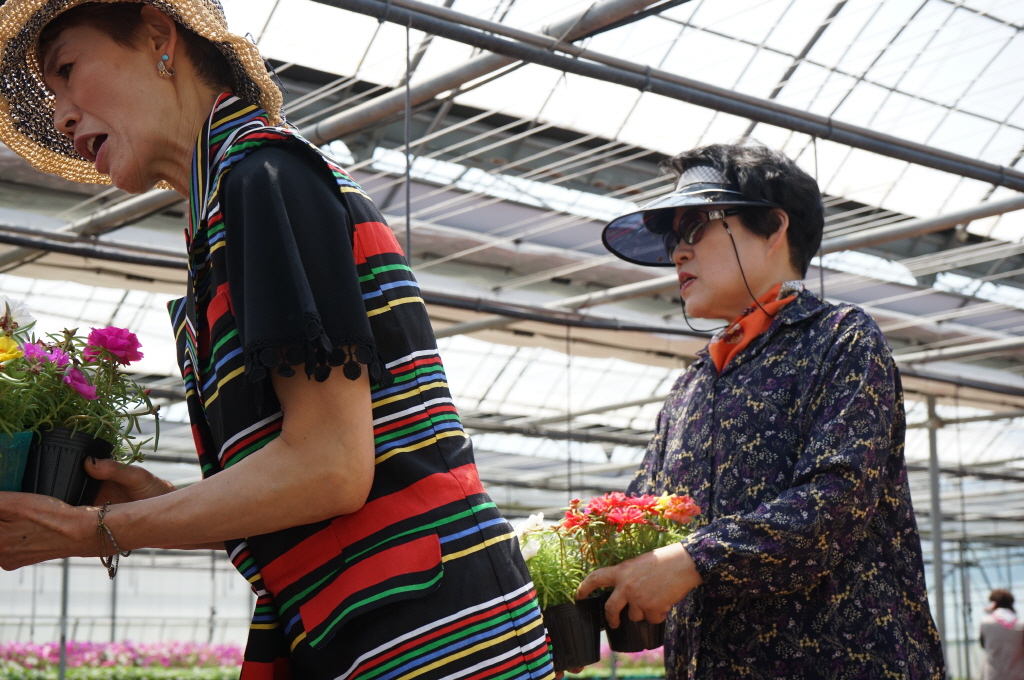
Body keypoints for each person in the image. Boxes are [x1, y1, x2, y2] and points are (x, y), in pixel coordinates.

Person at [0, 3, 554, 680]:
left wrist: (95, 531)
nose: (60, 116)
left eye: (66, 70)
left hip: (434, 638)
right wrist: (154, 502)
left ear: (158, 37)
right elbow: (309, 489)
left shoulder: (264, 177)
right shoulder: (226, 207)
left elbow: (330, 468)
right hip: (381, 625)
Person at [577, 143, 946, 679]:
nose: (678, 254)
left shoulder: (838, 338)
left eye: (695, 228)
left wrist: (693, 561)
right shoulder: (693, 384)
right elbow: (642, 513)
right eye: (673, 239)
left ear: (773, 228)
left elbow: (836, 497)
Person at [980, 588, 1024, 680]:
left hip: (993, 676)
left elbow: (983, 645)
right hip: (1017, 676)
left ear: (993, 604)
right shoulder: (1021, 625)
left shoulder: (986, 623)